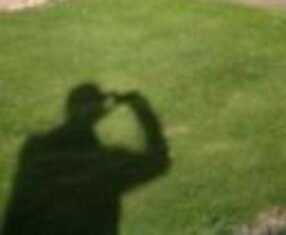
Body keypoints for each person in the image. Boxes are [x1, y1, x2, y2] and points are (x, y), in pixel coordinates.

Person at [2, 84, 169, 235]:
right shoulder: (108, 164)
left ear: (69, 109)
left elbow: (15, 216)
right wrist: (139, 105)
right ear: (101, 114)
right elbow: (158, 159)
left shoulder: (34, 151)